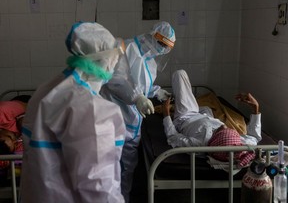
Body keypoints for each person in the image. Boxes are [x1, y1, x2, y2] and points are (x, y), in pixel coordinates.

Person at [20, 22, 127, 203]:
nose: (115, 63)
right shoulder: (90, 107)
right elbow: (98, 187)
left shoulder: (46, 91)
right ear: (105, 58)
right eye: (115, 57)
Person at [100, 21, 176, 202]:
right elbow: (116, 81)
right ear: (154, 37)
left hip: (133, 122)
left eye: (167, 48)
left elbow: (143, 85)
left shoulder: (150, 60)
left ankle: (123, 199)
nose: (163, 50)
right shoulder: (127, 49)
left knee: (128, 167)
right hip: (115, 117)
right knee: (110, 167)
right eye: (163, 45)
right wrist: (136, 98)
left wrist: (156, 91)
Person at [162, 69, 262, 167]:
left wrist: (166, 113)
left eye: (220, 132)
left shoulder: (198, 145)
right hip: (207, 115)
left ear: (214, 140)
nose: (224, 126)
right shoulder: (234, 146)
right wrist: (255, 109)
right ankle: (187, 104)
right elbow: (254, 138)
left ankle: (178, 107)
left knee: (180, 74)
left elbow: (173, 137)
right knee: (206, 108)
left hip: (186, 117)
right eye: (228, 130)